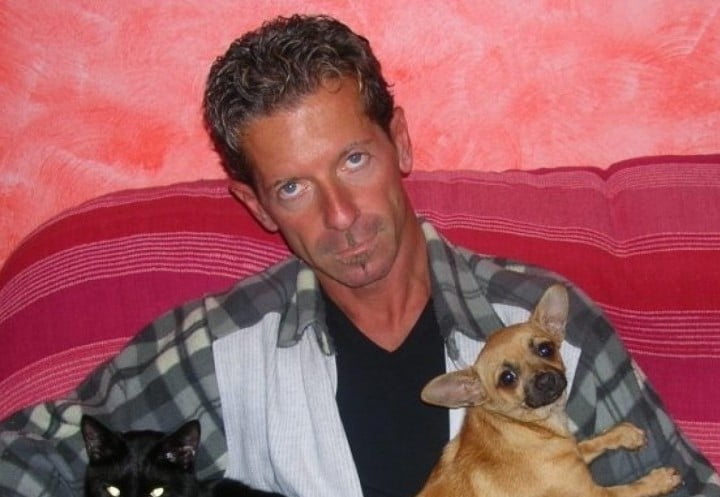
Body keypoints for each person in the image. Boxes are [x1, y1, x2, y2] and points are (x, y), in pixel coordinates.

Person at [0, 14, 718, 497]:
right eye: (293, 187)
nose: (340, 216)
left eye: (352, 159)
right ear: (257, 205)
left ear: (399, 142)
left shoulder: (542, 328)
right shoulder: (222, 345)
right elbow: (38, 448)